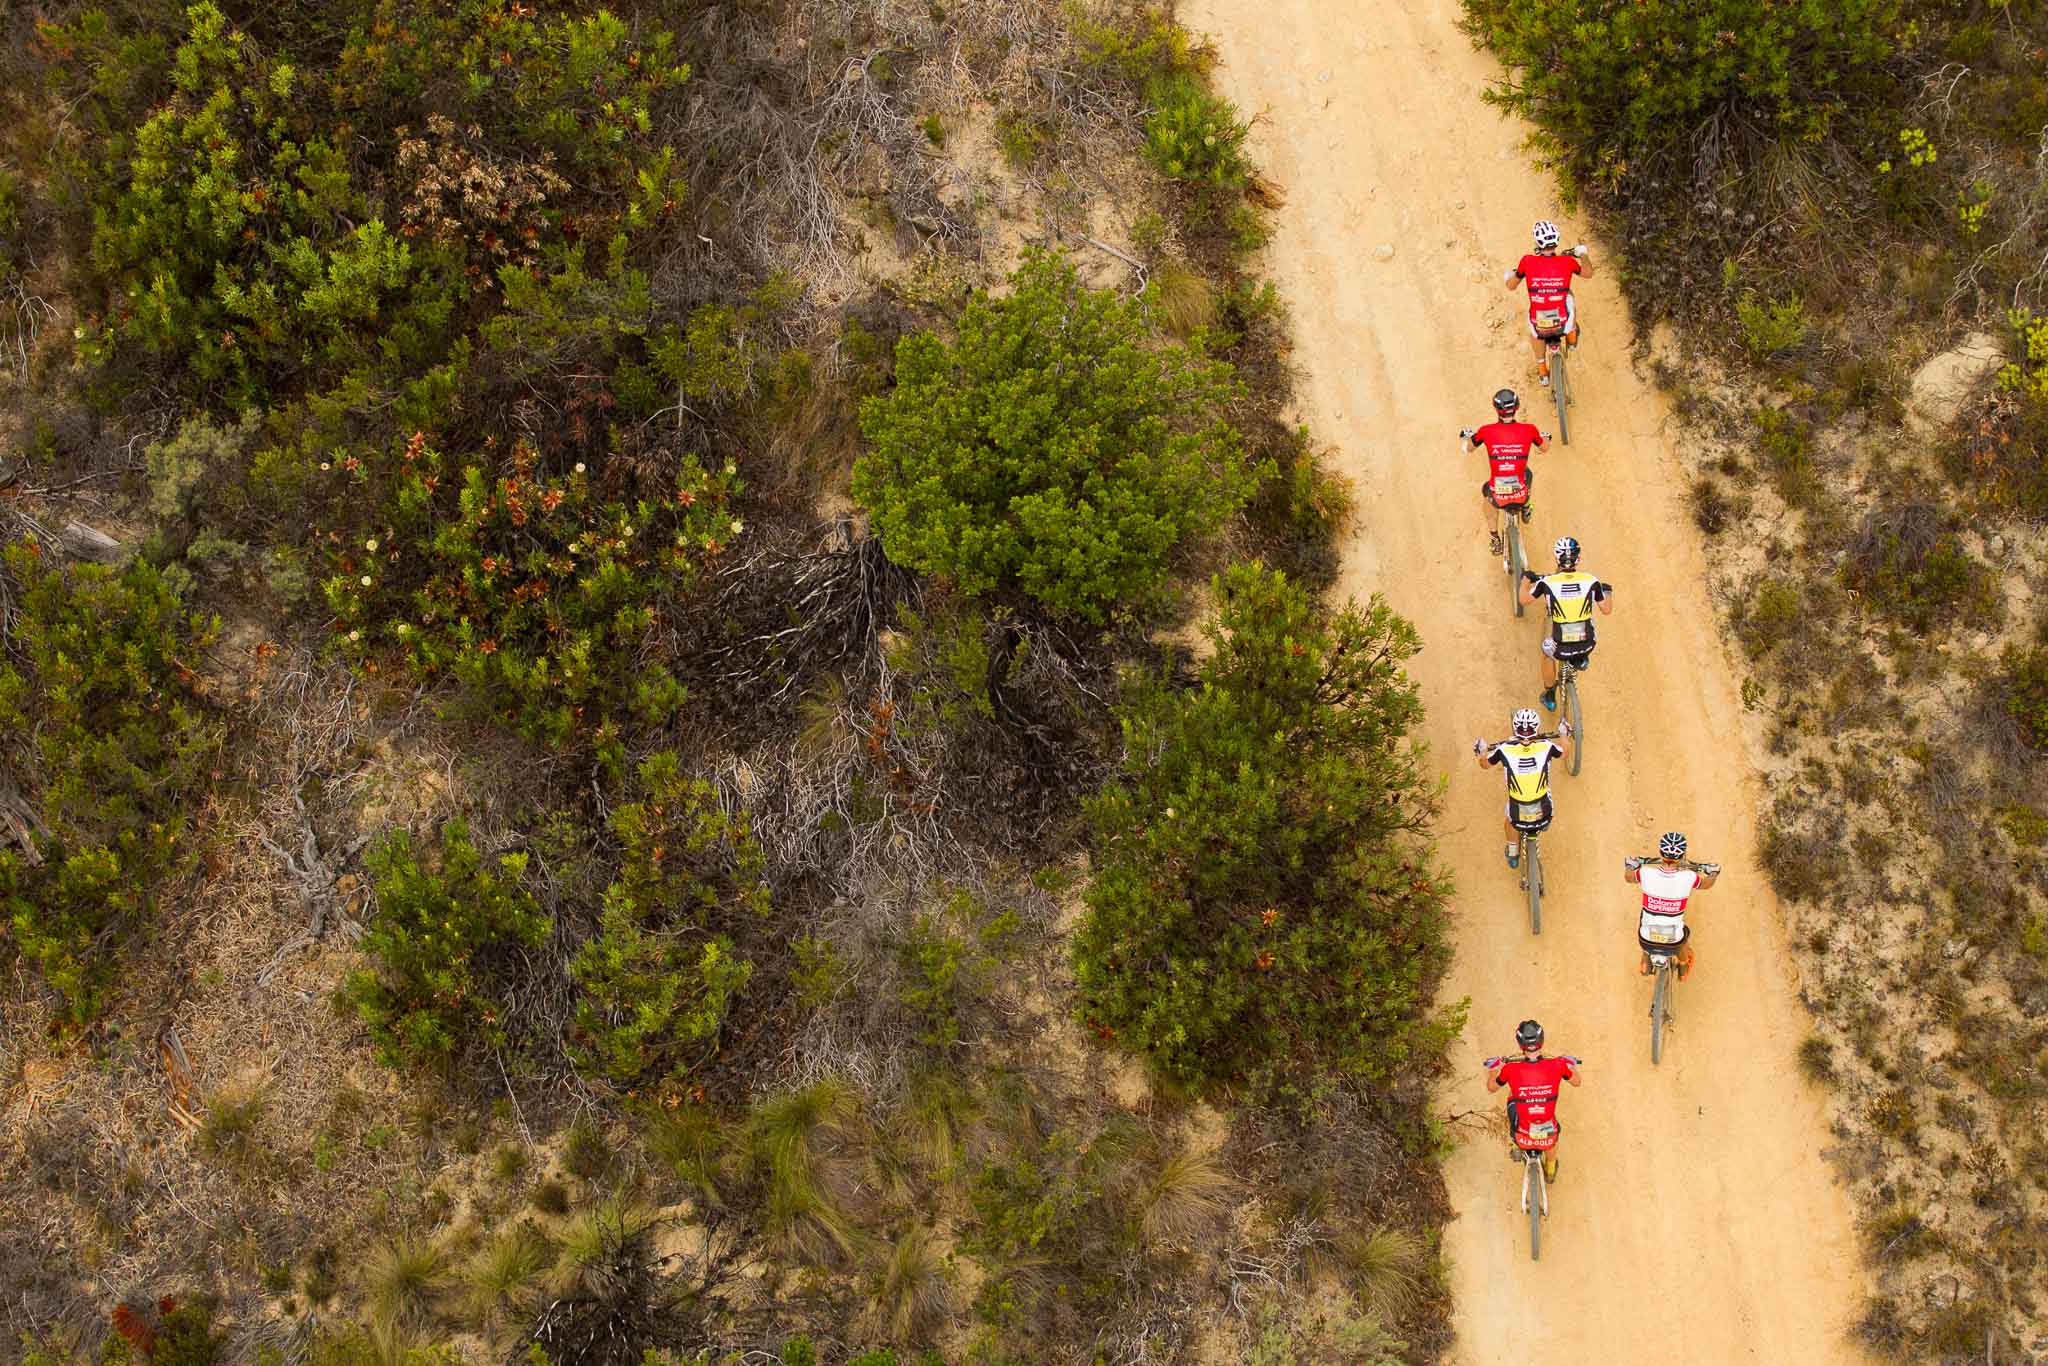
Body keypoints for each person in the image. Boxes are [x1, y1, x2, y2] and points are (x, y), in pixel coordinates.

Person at [1519, 536, 1614, 710]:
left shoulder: (1547, 582)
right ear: (1579, 558)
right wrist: (1607, 591)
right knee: (1588, 620)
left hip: (1560, 645)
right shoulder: (1591, 580)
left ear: (1556, 559)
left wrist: (1525, 580)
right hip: (1588, 644)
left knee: (1547, 653)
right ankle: (1581, 658)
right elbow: (1606, 609)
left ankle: (1549, 695)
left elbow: (1524, 600)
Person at [1473, 708, 1573, 870]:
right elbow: (1565, 753)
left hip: (1517, 817)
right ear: (1537, 729)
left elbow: (1485, 764)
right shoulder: (1546, 746)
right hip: (1545, 816)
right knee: (1545, 790)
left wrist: (1481, 752)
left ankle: (1513, 852)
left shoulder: (1503, 750)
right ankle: (1543, 825)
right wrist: (1563, 735)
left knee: (1508, 821)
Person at [1484, 1019, 1581, 1185]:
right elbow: (1577, 1082)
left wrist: (1493, 1070)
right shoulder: (1558, 1065)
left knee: (1512, 1096)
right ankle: (1550, 1169)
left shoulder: (1510, 1069)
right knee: (1553, 1130)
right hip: (1548, 1135)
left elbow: (1492, 1087)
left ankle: (1516, 1146)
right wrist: (1571, 1066)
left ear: (1520, 1043)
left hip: (1523, 1133)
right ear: (1541, 1040)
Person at [1503, 220, 1595, 387]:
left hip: (1540, 325)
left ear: (1537, 243)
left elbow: (1511, 286)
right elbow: (1588, 273)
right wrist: (1583, 254)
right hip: (1563, 323)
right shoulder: (1567, 262)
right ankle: (1572, 339)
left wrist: (1509, 276)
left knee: (1535, 326)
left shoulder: (1527, 261)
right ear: (1557, 240)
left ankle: (1542, 371)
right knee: (1569, 296)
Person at [1461, 388, 1547, 558]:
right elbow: (1544, 448)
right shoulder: (1530, 430)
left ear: (1496, 409)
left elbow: (1467, 449)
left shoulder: (1486, 431)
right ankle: (1526, 506)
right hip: (1520, 493)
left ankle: (1494, 538)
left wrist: (1465, 438)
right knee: (1527, 474)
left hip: (1498, 496)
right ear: (1516, 407)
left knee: (1486, 492)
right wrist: (1548, 438)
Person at [1625, 831, 1720, 979]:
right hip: (1673, 942)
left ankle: (1645, 963)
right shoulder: (1689, 876)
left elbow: (1629, 877)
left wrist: (1631, 866)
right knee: (1683, 934)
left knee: (1645, 917)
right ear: (1682, 856)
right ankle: (1683, 965)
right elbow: (1706, 884)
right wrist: (1713, 872)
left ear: (1661, 852)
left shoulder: (1645, 873)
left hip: (1646, 940)